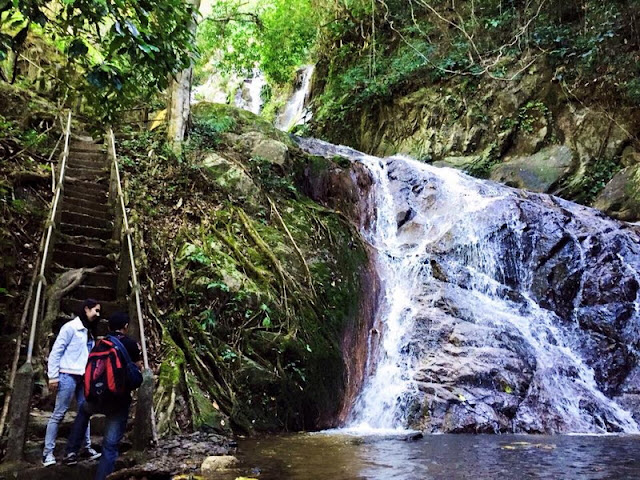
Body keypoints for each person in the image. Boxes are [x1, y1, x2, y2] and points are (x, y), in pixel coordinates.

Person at [64, 311, 142, 480]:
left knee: (83, 411)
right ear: (126, 327)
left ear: (108, 327)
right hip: (118, 401)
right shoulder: (131, 344)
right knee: (110, 446)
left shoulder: (100, 343)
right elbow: (136, 371)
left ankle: (71, 451)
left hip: (97, 397)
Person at [42, 298, 102, 466]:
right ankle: (48, 453)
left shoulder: (89, 331)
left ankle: (86, 447)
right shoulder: (70, 328)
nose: (97, 314)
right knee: (59, 413)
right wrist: (53, 376)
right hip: (67, 374)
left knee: (85, 412)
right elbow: (56, 352)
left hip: (84, 377)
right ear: (86, 309)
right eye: (95, 310)